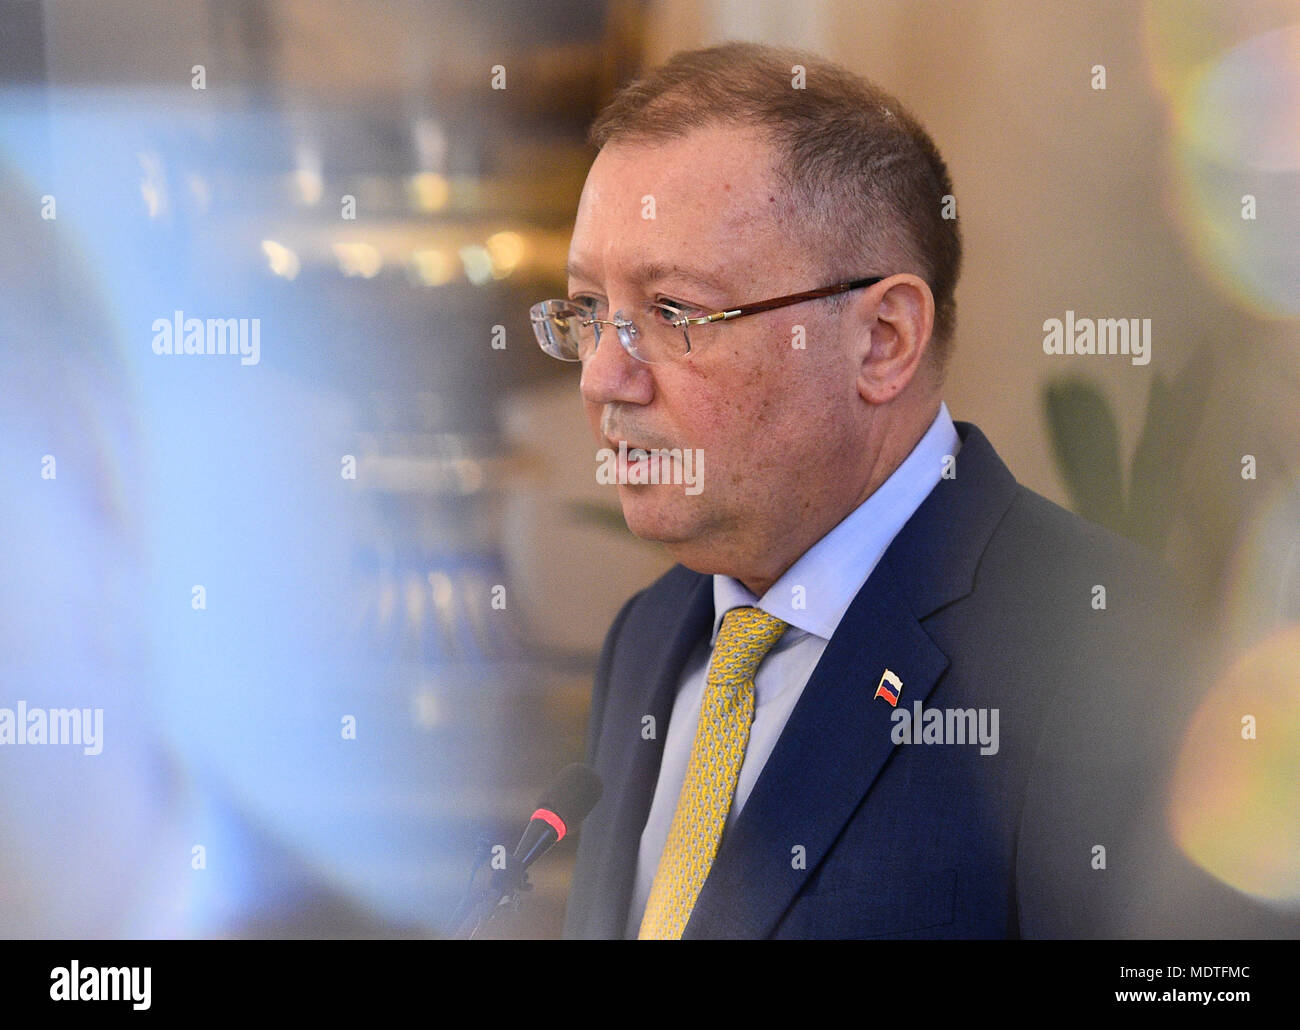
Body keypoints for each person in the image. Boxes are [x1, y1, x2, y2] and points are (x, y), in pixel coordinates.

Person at [530, 41, 1208, 939]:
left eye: (675, 314)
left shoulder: (1112, 655)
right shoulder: (650, 635)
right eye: (587, 314)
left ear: (883, 339)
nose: (604, 378)